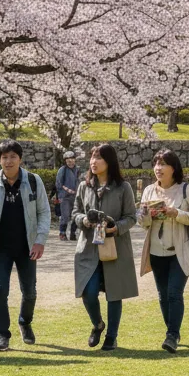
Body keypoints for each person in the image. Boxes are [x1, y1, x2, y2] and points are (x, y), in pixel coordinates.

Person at [0, 140, 51, 351]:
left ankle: (25, 322)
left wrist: (40, 241)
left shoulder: (34, 181)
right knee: (0, 292)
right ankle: (2, 335)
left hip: (27, 246)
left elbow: (44, 212)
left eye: (12, 157)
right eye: (4, 157)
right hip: (0, 247)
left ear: (20, 158)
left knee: (30, 292)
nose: (8, 161)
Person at [137, 149, 189, 352]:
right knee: (163, 295)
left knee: (175, 293)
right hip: (156, 251)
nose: (158, 168)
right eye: (156, 163)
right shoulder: (149, 191)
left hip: (180, 250)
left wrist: (177, 213)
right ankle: (172, 330)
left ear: (173, 168)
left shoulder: (186, 190)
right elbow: (143, 223)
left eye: (163, 164)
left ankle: (172, 336)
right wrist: (145, 214)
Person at [72, 144, 138, 351]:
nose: (93, 161)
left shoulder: (123, 187)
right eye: (92, 157)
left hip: (115, 246)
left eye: (98, 158)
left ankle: (112, 336)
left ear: (109, 162)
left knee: (114, 293)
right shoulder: (84, 186)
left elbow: (131, 217)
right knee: (88, 292)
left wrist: (115, 228)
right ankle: (98, 324)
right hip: (89, 247)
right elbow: (75, 212)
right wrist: (84, 220)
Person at [55, 150, 80, 242]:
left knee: (76, 215)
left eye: (72, 159)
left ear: (75, 159)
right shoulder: (62, 170)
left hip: (76, 196)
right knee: (65, 216)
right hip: (64, 197)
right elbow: (58, 184)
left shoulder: (77, 169)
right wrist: (67, 190)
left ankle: (73, 233)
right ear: (65, 161)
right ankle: (62, 233)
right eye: (68, 160)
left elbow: (79, 181)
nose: (70, 161)